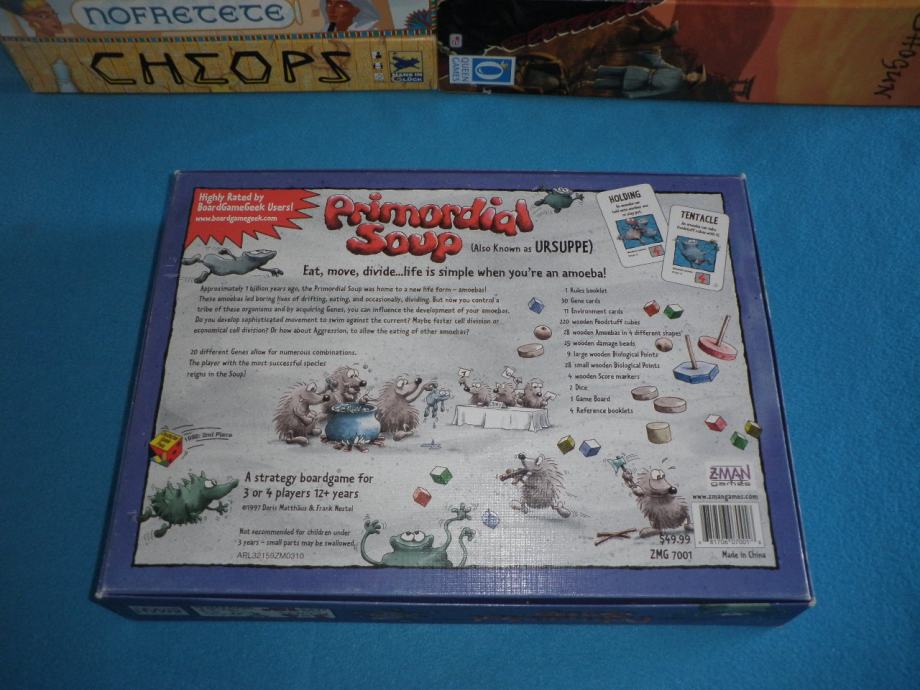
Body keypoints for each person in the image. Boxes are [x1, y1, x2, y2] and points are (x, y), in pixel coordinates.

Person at [585, 51, 706, 99]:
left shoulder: (674, 88)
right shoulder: (677, 71)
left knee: (614, 83)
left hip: (639, 84)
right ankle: (592, 71)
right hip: (641, 72)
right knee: (615, 70)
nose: (693, 76)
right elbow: (660, 63)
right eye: (695, 74)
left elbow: (652, 92)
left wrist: (634, 94)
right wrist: (650, 54)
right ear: (693, 72)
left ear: (692, 83)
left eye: (695, 79)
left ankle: (588, 83)